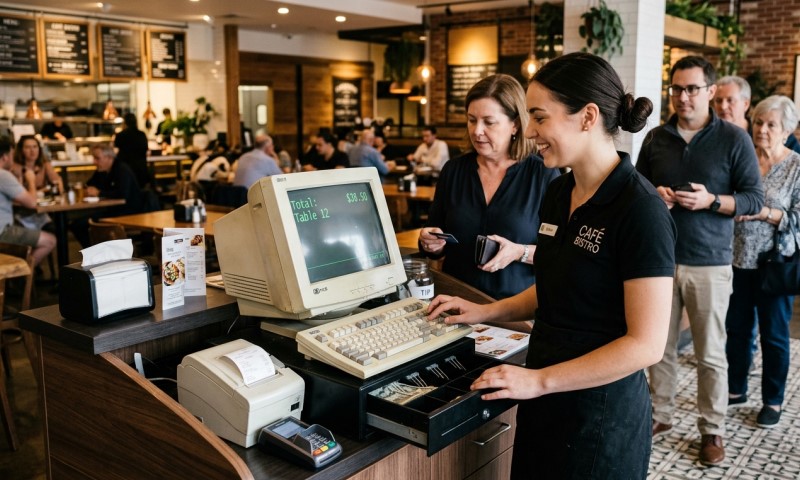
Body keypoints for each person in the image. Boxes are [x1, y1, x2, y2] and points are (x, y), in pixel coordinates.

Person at [425, 52, 676, 479]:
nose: (530, 132)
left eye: (539, 117)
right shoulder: (560, 193)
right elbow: (557, 286)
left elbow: (645, 345)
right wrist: (485, 311)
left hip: (599, 416)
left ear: (588, 117)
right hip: (544, 395)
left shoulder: (640, 210)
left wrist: (539, 381)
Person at [637, 55, 764, 466]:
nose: (683, 96)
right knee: (659, 348)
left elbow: (753, 199)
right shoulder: (656, 138)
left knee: (710, 353)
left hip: (710, 261)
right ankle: (660, 415)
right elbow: (636, 191)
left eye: (692, 88)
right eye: (676, 88)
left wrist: (711, 200)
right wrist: (654, 195)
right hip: (659, 261)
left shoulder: (734, 139)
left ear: (710, 91)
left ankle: (712, 428)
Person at [418, 74, 559, 300]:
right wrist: (431, 243)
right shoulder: (453, 170)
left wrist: (519, 252)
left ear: (515, 125)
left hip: (514, 308)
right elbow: (435, 234)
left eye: (489, 122)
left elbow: (560, 253)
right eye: (472, 120)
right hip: (455, 300)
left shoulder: (543, 174)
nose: (477, 130)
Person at [725, 95, 800, 429]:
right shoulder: (742, 158)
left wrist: (764, 213)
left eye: (771, 124)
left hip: (775, 265)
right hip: (735, 260)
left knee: (774, 336)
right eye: (758, 122)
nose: (762, 130)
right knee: (737, 330)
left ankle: (773, 400)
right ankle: (736, 389)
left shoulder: (796, 166)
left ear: (787, 130)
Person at [69, 143, 144, 248]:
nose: (94, 162)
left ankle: (96, 252)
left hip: (128, 212)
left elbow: (123, 194)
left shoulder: (122, 169)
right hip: (112, 210)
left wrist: (99, 193)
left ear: (109, 157)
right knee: (76, 224)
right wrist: (87, 189)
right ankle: (97, 252)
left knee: (80, 225)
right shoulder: (102, 170)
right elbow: (89, 185)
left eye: (97, 158)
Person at [0, 137, 56, 267]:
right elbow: (32, 203)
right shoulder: (3, 175)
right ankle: (20, 275)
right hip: (3, 231)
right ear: (5, 157)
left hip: (9, 226)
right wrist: (31, 180)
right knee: (49, 241)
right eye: (11, 154)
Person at [715, 75, 800, 153]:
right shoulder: (711, 134)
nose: (723, 107)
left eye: (730, 100)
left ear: (746, 104)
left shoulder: (780, 136)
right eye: (718, 101)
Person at [113, 113, 150, 189]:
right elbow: (145, 149)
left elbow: (116, 149)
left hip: (126, 168)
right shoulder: (141, 134)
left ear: (125, 123)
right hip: (141, 169)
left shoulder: (120, 135)